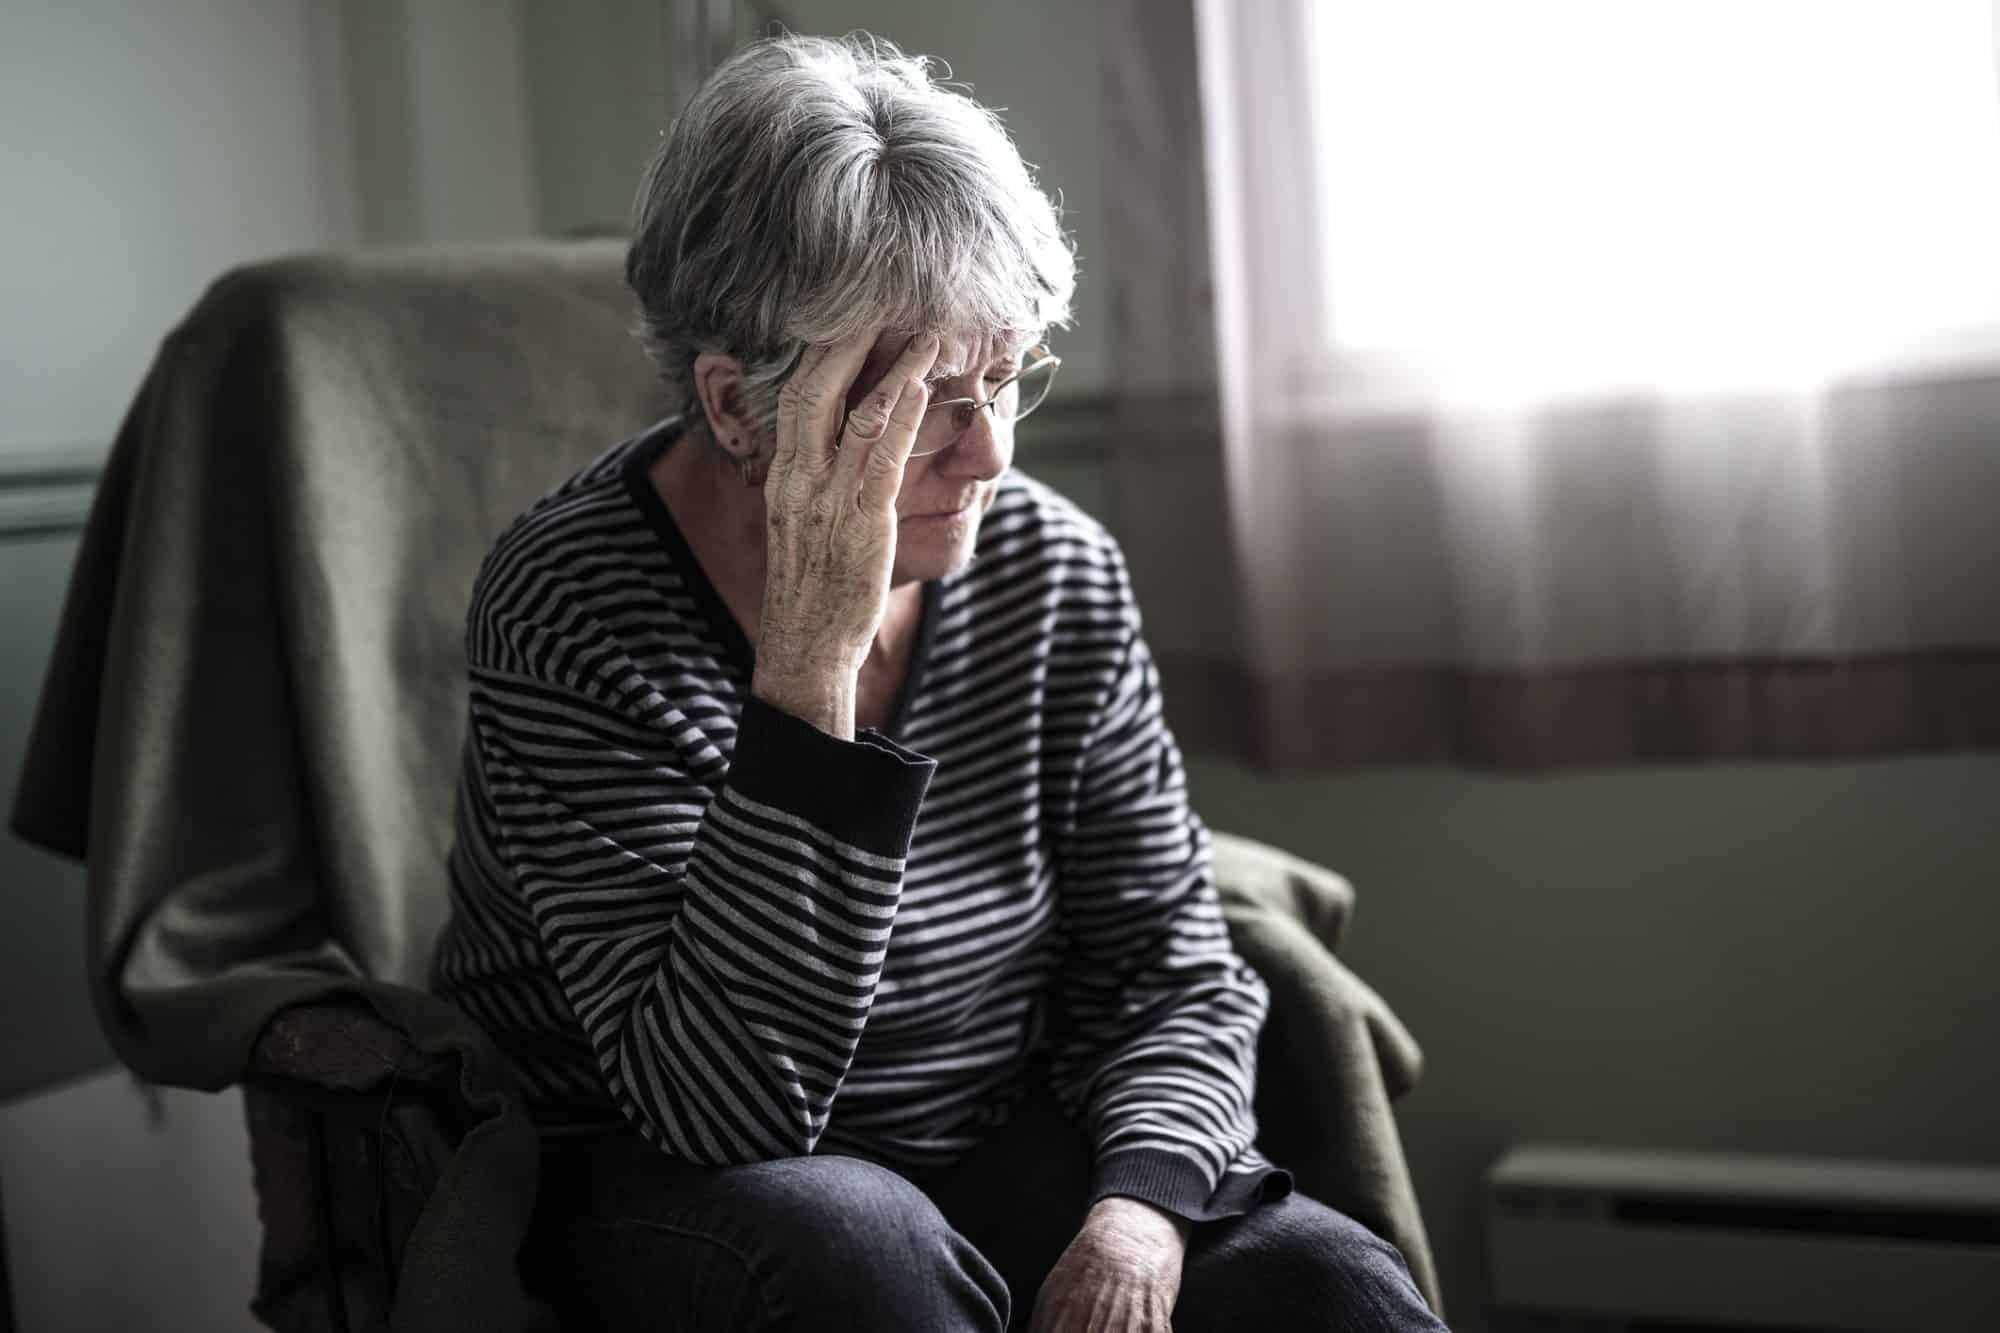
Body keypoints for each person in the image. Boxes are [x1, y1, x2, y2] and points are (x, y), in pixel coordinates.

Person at [431, 31, 1448, 1333]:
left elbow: (1169, 967)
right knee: (863, 1249)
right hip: (660, 1171)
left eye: (1004, 375)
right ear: (738, 407)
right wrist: (809, 669)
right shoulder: (568, 600)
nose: (986, 455)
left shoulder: (1052, 569)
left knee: (1333, 1285)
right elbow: (724, 1105)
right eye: (915, 401)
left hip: (987, 1129)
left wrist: (1136, 1213)